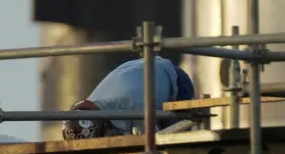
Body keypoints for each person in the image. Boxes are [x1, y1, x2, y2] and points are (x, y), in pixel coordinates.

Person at [61, 56, 195, 140]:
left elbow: (151, 142)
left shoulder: (132, 103)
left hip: (176, 83)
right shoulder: (95, 104)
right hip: (151, 71)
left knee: (174, 143)